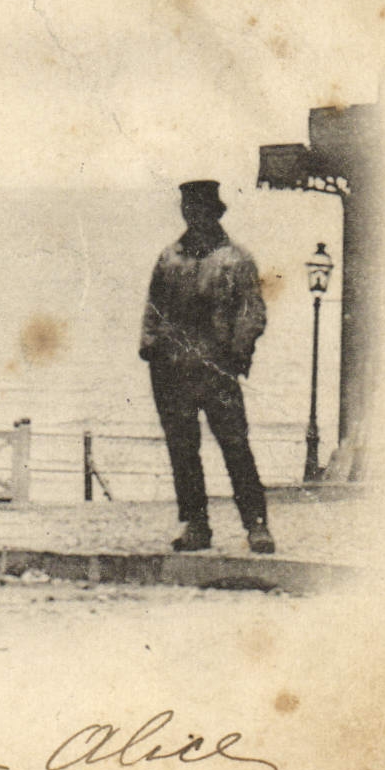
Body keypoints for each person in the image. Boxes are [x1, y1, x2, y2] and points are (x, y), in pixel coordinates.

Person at [140, 180, 273, 555]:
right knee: (183, 450)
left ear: (214, 213)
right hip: (173, 371)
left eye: (200, 210)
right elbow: (154, 309)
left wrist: (236, 355)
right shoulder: (170, 259)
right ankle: (196, 524)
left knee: (235, 446)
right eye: (188, 210)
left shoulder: (235, 260)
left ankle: (256, 525)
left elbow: (252, 313)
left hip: (217, 370)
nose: (193, 217)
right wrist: (151, 349)